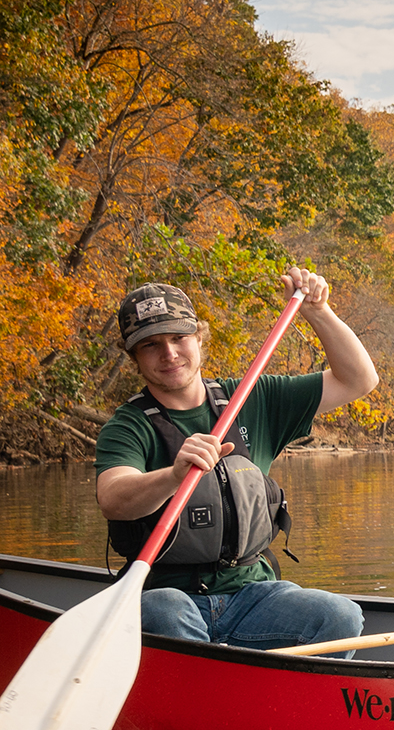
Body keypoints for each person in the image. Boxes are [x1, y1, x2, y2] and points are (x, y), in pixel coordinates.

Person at [93, 270, 378, 651]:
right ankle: (200, 697)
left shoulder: (251, 398)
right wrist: (172, 475)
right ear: (135, 358)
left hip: (253, 594)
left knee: (340, 615)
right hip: (166, 594)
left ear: (198, 338)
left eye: (179, 338)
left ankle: (277, 700)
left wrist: (319, 311)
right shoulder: (127, 426)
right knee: (166, 610)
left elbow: (358, 380)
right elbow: (113, 497)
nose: (169, 353)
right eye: (151, 345)